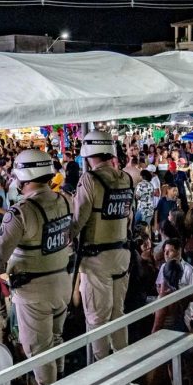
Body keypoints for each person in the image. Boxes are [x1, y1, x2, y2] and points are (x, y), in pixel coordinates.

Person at [0, 149, 72, 385]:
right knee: (56, 341)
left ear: (23, 177)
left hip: (34, 293)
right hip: (62, 284)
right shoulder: (64, 200)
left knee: (39, 353)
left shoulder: (20, 213)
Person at [71, 131, 133, 361]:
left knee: (97, 319)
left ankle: (103, 372)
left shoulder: (90, 179)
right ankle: (123, 366)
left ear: (88, 153)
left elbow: (79, 220)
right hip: (121, 255)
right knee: (118, 314)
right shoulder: (125, 178)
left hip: (97, 260)